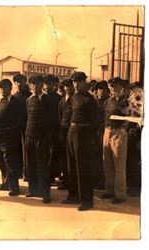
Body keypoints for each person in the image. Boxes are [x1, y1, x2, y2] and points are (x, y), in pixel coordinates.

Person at [62, 71, 99, 211]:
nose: (76, 85)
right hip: (71, 133)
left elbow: (96, 122)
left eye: (79, 82)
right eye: (74, 82)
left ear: (85, 83)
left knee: (83, 168)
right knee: (71, 166)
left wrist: (91, 139)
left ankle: (87, 201)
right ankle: (73, 196)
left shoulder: (90, 100)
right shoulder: (73, 97)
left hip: (84, 134)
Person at [0, 79, 23, 195]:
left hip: (9, 136)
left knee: (10, 161)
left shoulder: (16, 102)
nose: (3, 90)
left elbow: (20, 119)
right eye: (1, 88)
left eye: (5, 87)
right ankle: (5, 183)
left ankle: (14, 188)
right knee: (0, 159)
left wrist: (13, 132)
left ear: (10, 88)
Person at [101, 77, 129, 204]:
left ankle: (120, 194)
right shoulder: (107, 101)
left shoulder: (126, 101)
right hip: (107, 131)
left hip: (119, 133)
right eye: (111, 86)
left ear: (120, 87)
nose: (112, 88)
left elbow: (131, 117)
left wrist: (124, 129)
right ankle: (109, 190)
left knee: (119, 164)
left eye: (114, 85)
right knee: (107, 162)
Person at [25, 75, 52, 203]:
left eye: (38, 84)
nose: (35, 86)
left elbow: (52, 119)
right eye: (33, 84)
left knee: (42, 165)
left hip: (42, 137)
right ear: (30, 86)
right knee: (31, 165)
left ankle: (46, 193)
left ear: (42, 85)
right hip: (29, 136)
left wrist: (47, 136)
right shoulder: (28, 99)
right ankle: (33, 190)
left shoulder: (47, 99)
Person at [43, 74, 62, 185]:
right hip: (43, 130)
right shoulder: (41, 97)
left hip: (54, 130)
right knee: (44, 154)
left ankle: (51, 177)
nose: (49, 86)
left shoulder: (59, 98)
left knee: (53, 154)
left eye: (54, 85)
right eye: (47, 84)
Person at [13, 74, 31, 181]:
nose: (19, 84)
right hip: (15, 128)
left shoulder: (29, 95)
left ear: (25, 82)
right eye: (17, 82)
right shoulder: (14, 96)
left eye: (21, 81)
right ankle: (18, 171)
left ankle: (27, 173)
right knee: (16, 150)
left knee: (26, 151)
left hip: (26, 127)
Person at [58, 78, 74, 190]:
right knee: (63, 156)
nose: (68, 88)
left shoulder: (75, 100)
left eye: (70, 86)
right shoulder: (62, 101)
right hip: (63, 132)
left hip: (72, 132)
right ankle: (65, 179)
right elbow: (59, 116)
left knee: (71, 158)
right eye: (66, 87)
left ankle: (71, 182)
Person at [94, 80, 110, 189]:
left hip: (104, 131)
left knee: (104, 157)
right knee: (96, 157)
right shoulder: (95, 102)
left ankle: (103, 181)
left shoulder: (108, 102)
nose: (99, 92)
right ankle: (97, 180)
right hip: (96, 131)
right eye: (98, 90)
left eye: (101, 89)